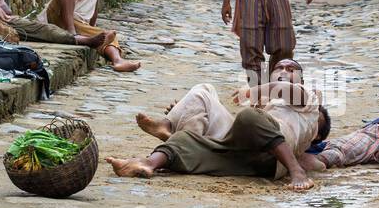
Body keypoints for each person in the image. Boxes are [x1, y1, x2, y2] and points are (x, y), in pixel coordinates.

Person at [108, 58, 321, 191]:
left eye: (291, 68)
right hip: (244, 154)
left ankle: (296, 172)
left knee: (249, 117)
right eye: (279, 67)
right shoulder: (266, 104)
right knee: (202, 93)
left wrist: (252, 92)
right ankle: (148, 162)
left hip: (275, 156)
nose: (284, 70)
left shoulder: (308, 98)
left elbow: (283, 89)